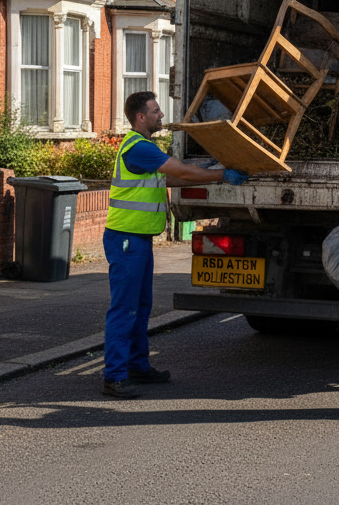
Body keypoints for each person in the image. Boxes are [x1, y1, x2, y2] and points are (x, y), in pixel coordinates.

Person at [102, 91, 249, 399]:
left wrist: (211, 177)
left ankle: (138, 367)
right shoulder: (139, 148)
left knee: (140, 307)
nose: (162, 116)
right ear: (140, 117)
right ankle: (114, 377)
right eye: (156, 111)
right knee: (124, 308)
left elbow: (170, 180)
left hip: (137, 239)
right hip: (127, 240)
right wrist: (221, 173)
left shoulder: (144, 148)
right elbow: (180, 171)